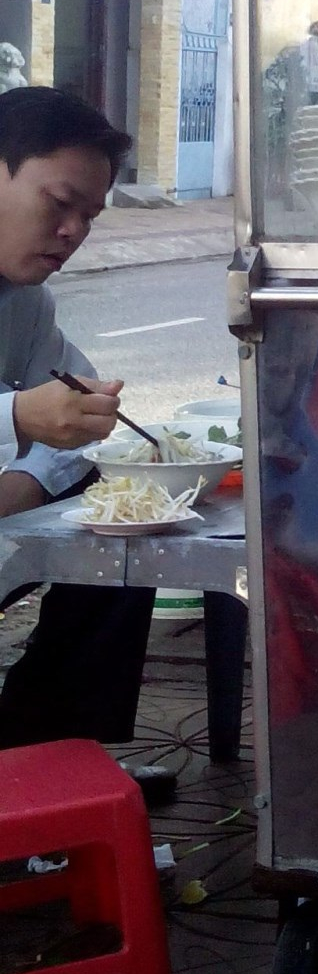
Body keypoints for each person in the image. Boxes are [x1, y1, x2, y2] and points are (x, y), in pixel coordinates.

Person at [0, 86, 146, 747]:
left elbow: (77, 417)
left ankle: (50, 751)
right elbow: (33, 415)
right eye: (59, 203)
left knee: (128, 514)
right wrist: (17, 417)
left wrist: (28, 480)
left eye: (89, 216)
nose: (73, 233)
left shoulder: (25, 303)